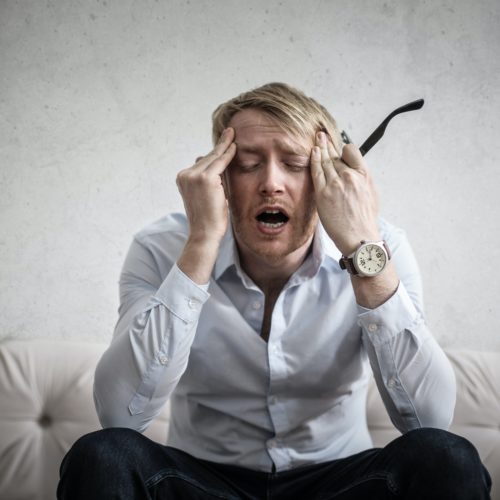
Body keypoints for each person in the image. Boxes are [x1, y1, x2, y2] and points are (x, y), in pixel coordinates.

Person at [58, 82, 491, 499]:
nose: (271, 183)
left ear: (328, 179)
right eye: (247, 164)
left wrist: (363, 250)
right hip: (202, 482)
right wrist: (201, 243)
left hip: (340, 483)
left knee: (447, 458)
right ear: (221, 179)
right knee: (103, 456)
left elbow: (430, 420)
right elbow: (118, 416)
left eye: (296, 164)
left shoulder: (381, 248)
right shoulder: (160, 248)